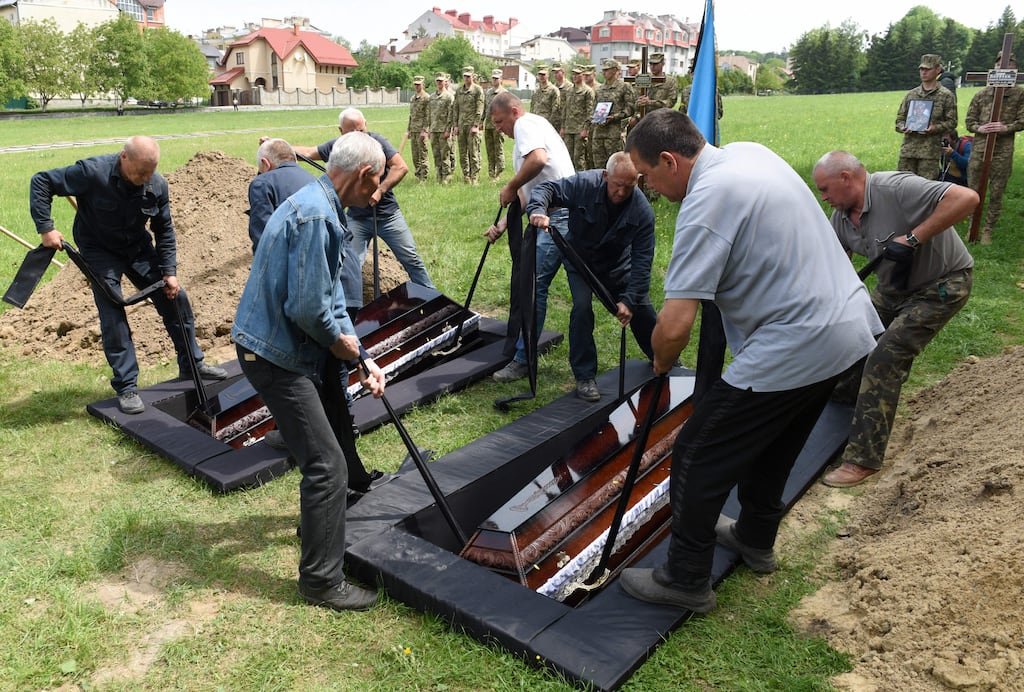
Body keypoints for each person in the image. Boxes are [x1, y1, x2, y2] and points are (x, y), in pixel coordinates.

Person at [617, 110, 881, 612]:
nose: (648, 187)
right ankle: (755, 536)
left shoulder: (706, 203)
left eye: (648, 176)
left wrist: (659, 364)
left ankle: (686, 577)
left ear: (670, 160)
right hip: (845, 328)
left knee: (697, 451)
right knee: (778, 441)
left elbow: (675, 324)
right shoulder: (748, 153)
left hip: (796, 339)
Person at [232, 131, 387, 613]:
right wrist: (342, 348)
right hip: (275, 356)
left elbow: (331, 297)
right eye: (375, 182)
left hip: (274, 346)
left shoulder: (319, 203)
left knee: (325, 451)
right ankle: (321, 581)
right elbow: (308, 309)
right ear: (364, 174)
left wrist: (360, 354)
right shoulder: (318, 215)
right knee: (328, 465)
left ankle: (316, 528)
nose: (376, 191)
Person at [812, 151, 977, 488]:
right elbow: (836, 266)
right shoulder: (841, 217)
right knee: (853, 345)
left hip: (941, 284)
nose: (824, 197)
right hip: (893, 288)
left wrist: (914, 238)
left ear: (846, 177)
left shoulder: (897, 188)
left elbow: (967, 197)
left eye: (825, 189)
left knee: (884, 360)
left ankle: (863, 460)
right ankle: (838, 419)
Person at [30, 136, 228, 415]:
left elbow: (164, 230)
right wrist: (46, 227)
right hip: (98, 250)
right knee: (113, 311)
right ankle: (126, 387)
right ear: (124, 157)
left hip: (137, 248)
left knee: (175, 298)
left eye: (150, 172)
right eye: (140, 172)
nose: (145, 178)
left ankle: (192, 364)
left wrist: (169, 272)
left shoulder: (157, 185)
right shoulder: (92, 172)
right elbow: (41, 181)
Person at [525, 152, 656, 402]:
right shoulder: (584, 184)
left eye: (628, 187)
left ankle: (664, 358)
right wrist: (538, 210)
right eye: (617, 185)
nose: (621, 192)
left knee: (642, 308)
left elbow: (642, 262)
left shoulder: (642, 212)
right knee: (582, 308)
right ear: (606, 176)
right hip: (580, 261)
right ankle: (585, 377)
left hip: (617, 266)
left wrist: (628, 300)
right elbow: (546, 189)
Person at [293, 108, 435, 314]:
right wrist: (277, 146)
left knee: (410, 258)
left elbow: (401, 167)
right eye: (353, 132)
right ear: (341, 131)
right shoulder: (339, 147)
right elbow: (306, 153)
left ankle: (432, 300)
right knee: (350, 264)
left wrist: (380, 190)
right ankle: (347, 312)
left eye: (362, 128)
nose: (359, 134)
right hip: (356, 219)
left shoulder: (377, 142)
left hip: (387, 215)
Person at [485, 92, 575, 383]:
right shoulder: (528, 134)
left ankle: (523, 359)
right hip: (551, 214)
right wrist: (502, 225)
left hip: (558, 217)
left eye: (499, 121)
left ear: (514, 111)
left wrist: (510, 185)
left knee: (534, 287)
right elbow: (528, 195)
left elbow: (538, 160)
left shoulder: (525, 125)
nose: (498, 128)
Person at [965, 51, 1024, 244]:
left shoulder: (1019, 94)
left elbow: (1023, 120)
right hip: (979, 148)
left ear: (1014, 70)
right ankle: (972, 226)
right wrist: (979, 128)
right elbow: (969, 121)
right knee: (973, 189)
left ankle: (988, 229)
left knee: (997, 190)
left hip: (1002, 150)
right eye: (999, 66)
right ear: (994, 69)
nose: (1003, 70)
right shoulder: (982, 94)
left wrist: (1007, 127)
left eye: (1008, 66)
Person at [247, 137, 315, 253]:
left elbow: (263, 235)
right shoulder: (314, 181)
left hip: (289, 259)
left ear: (265, 163)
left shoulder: (262, 183)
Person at [895, 54, 957, 180]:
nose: (923, 72)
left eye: (927, 69)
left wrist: (935, 128)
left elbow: (952, 122)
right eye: (921, 69)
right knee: (902, 187)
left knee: (926, 191)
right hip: (908, 151)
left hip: (929, 153)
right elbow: (899, 120)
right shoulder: (911, 95)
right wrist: (903, 127)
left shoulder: (946, 96)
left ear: (938, 70)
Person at [587, 59, 634, 169]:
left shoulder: (624, 87)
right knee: (599, 167)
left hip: (614, 134)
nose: (603, 73)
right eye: (603, 70)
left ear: (614, 70)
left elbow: (631, 108)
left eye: (606, 70)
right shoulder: (599, 89)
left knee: (615, 167)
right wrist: (595, 118)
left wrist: (614, 117)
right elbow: (594, 108)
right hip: (598, 133)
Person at [453, 65, 485, 185]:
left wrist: (476, 125)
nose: (466, 78)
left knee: (473, 152)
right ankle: (466, 176)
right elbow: (455, 108)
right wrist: (455, 125)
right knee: (462, 153)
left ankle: (474, 177)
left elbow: (479, 108)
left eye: (468, 76)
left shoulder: (477, 90)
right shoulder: (459, 91)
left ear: (473, 76)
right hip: (461, 125)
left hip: (472, 126)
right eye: (464, 76)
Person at [560, 65, 596, 171]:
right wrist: (563, 127)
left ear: (583, 75)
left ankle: (580, 182)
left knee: (578, 158)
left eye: (578, 74)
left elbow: (590, 112)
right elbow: (565, 110)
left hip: (580, 130)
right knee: (567, 157)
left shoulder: (588, 91)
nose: (575, 76)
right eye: (574, 74)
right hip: (568, 129)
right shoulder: (569, 90)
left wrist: (586, 129)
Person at [428, 72, 455, 184]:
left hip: (444, 130)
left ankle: (446, 176)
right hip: (434, 130)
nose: (439, 82)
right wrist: (429, 129)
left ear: (445, 82)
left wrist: (448, 129)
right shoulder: (432, 97)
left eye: (441, 81)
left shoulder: (449, 97)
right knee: (436, 154)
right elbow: (429, 114)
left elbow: (451, 114)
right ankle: (438, 176)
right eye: (437, 81)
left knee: (445, 154)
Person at [483, 68, 507, 180]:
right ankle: (491, 173)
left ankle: (499, 172)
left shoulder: (504, 93)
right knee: (490, 150)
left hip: (499, 127)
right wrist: (480, 121)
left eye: (497, 78)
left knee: (499, 150)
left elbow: (507, 111)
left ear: (501, 79)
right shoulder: (488, 92)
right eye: (493, 78)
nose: (494, 80)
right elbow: (485, 108)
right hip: (488, 125)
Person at [407, 75, 431, 181]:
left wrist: (425, 130)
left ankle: (424, 177)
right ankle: (418, 174)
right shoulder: (413, 98)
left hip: (421, 130)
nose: (417, 86)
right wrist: (409, 129)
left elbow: (428, 115)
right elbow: (411, 115)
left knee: (423, 154)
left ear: (423, 84)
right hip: (414, 130)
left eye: (419, 84)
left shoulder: (426, 98)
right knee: (415, 154)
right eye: (415, 84)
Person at [530, 64, 561, 129]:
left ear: (548, 75)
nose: (541, 77)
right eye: (540, 75)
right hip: (536, 123)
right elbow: (532, 107)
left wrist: (549, 123)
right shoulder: (536, 91)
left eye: (543, 75)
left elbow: (555, 109)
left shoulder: (553, 90)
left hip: (547, 124)